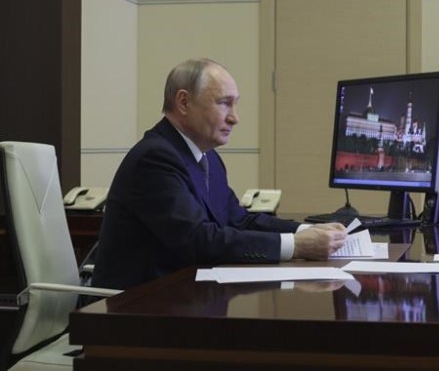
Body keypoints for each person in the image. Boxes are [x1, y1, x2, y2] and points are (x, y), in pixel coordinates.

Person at [93, 58, 347, 289]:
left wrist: (306, 231)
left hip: (184, 298)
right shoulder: (155, 158)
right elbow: (198, 240)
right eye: (224, 103)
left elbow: (238, 220)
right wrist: (297, 246)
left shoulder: (208, 158)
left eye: (235, 105)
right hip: (135, 311)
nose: (235, 118)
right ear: (183, 102)